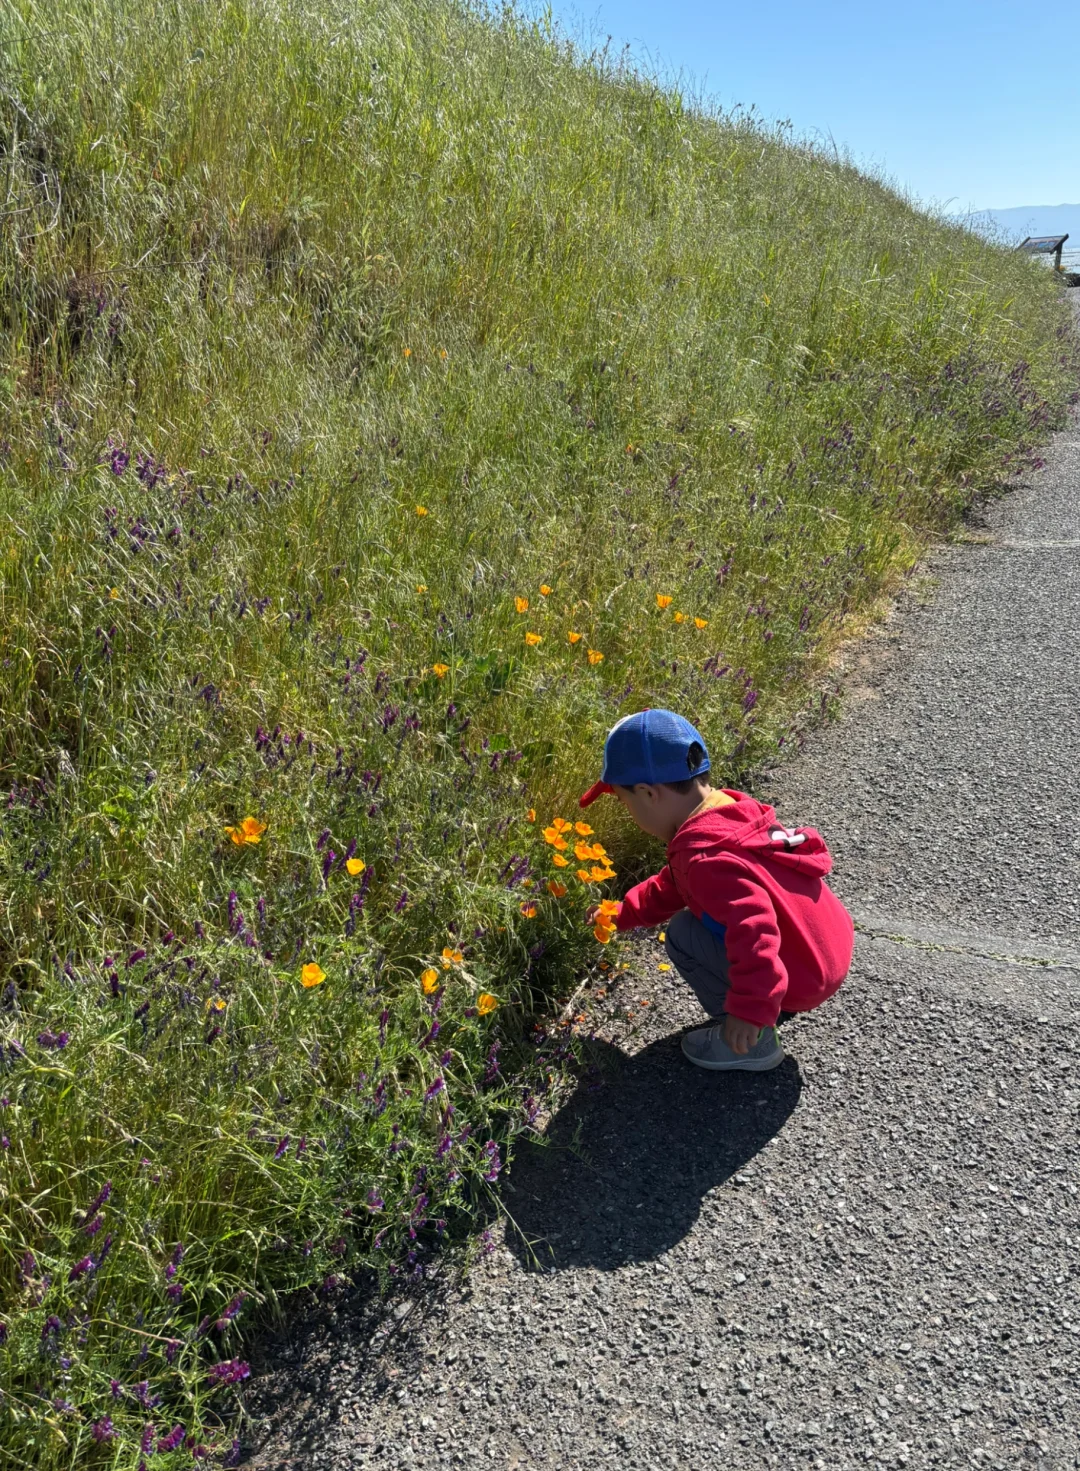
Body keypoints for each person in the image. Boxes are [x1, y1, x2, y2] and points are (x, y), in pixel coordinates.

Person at [580, 709, 854, 1070]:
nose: (628, 812)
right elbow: (673, 885)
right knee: (701, 916)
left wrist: (750, 1009)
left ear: (648, 794)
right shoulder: (729, 811)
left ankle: (753, 1042)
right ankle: (770, 997)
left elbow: (755, 930)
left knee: (682, 934)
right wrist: (620, 913)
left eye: (623, 801)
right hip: (827, 945)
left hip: (807, 974)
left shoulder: (705, 858)